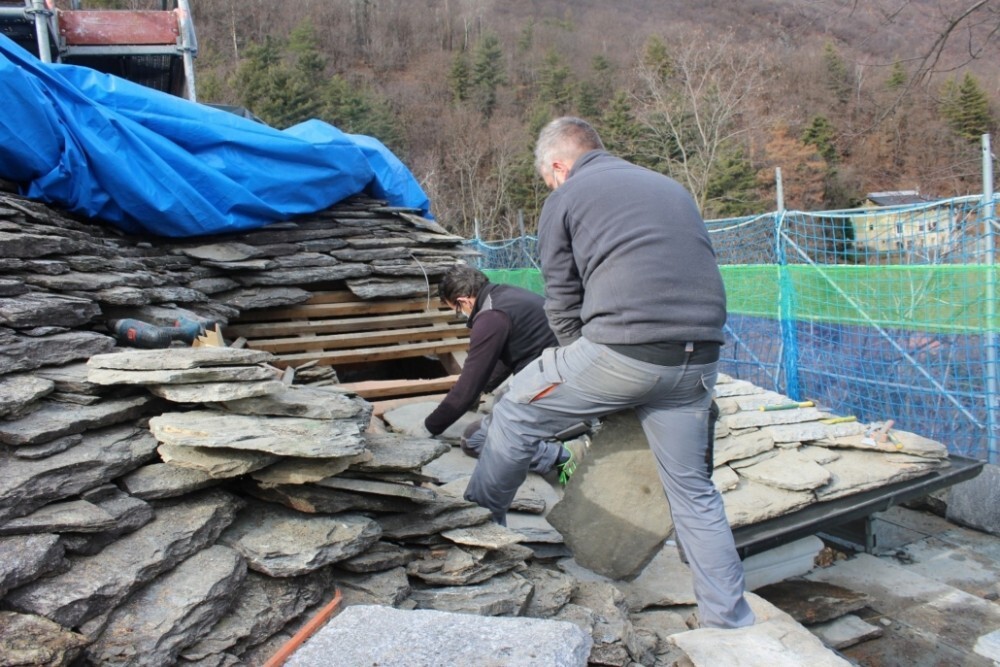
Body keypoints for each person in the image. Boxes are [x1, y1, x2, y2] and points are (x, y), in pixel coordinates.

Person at [462, 117, 755, 629]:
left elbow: (561, 297)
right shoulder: (670, 186)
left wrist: (587, 363)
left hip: (623, 347)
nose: (550, 187)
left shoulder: (566, 197)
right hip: (700, 359)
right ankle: (729, 622)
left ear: (558, 164)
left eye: (548, 178)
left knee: (512, 411)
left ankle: (474, 538)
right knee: (693, 491)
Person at [423, 265, 588, 482]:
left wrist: (431, 426)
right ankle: (569, 433)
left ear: (464, 301)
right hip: (569, 373)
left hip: (558, 384)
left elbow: (467, 386)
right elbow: (509, 358)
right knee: (502, 401)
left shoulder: (491, 317)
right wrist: (482, 388)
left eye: (456, 309)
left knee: (475, 440)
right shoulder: (507, 295)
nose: (460, 314)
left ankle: (563, 457)